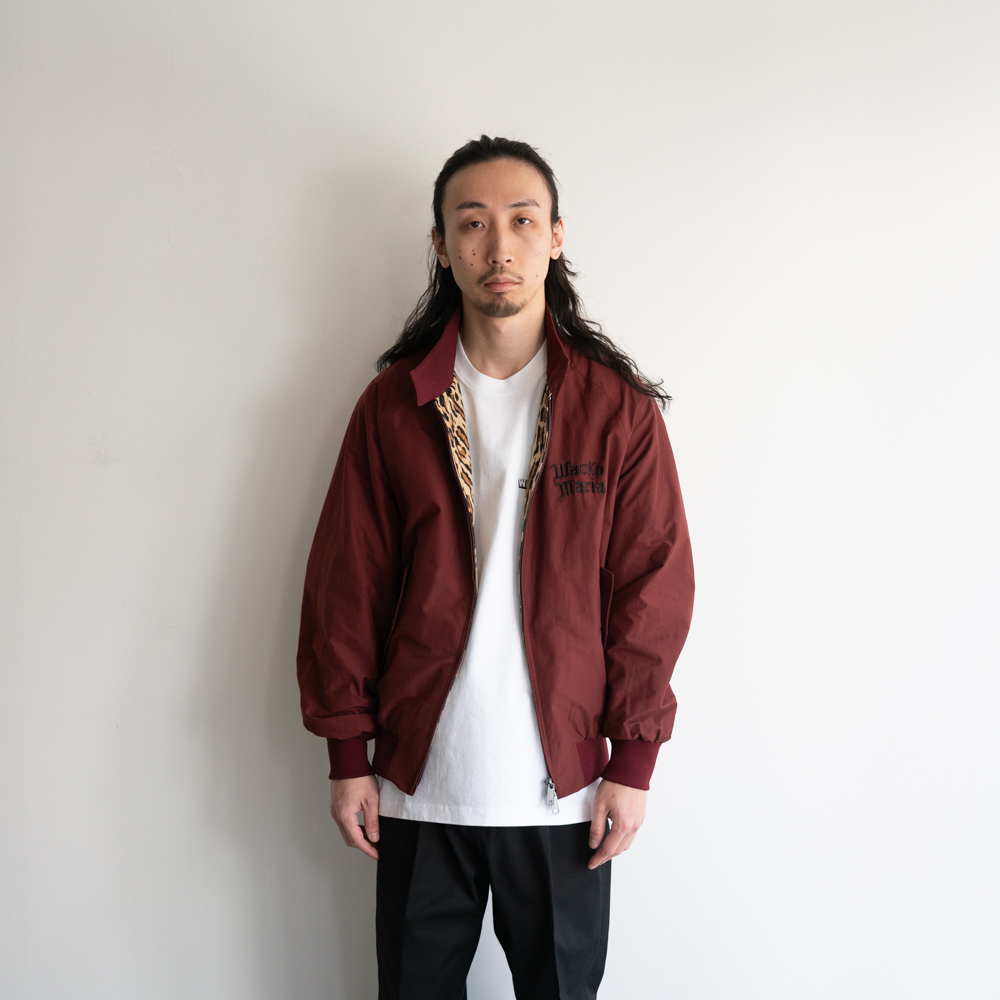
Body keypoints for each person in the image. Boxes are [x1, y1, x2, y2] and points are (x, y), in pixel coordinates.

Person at [296, 136, 695, 999]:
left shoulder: (616, 412)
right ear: (442, 245)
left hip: (567, 796)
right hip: (417, 788)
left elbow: (652, 593)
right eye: (472, 223)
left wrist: (633, 762)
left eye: (522, 220)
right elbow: (346, 586)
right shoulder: (394, 406)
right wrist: (346, 753)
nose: (499, 245)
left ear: (556, 237)